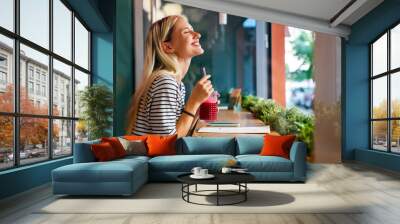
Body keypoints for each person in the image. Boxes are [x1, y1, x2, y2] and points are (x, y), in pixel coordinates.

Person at [126, 15, 214, 137]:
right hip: (154, 156)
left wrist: (198, 106)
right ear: (168, 46)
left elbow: (180, 133)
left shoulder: (177, 84)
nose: (197, 34)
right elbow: (168, 144)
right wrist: (193, 102)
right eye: (187, 31)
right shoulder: (165, 83)